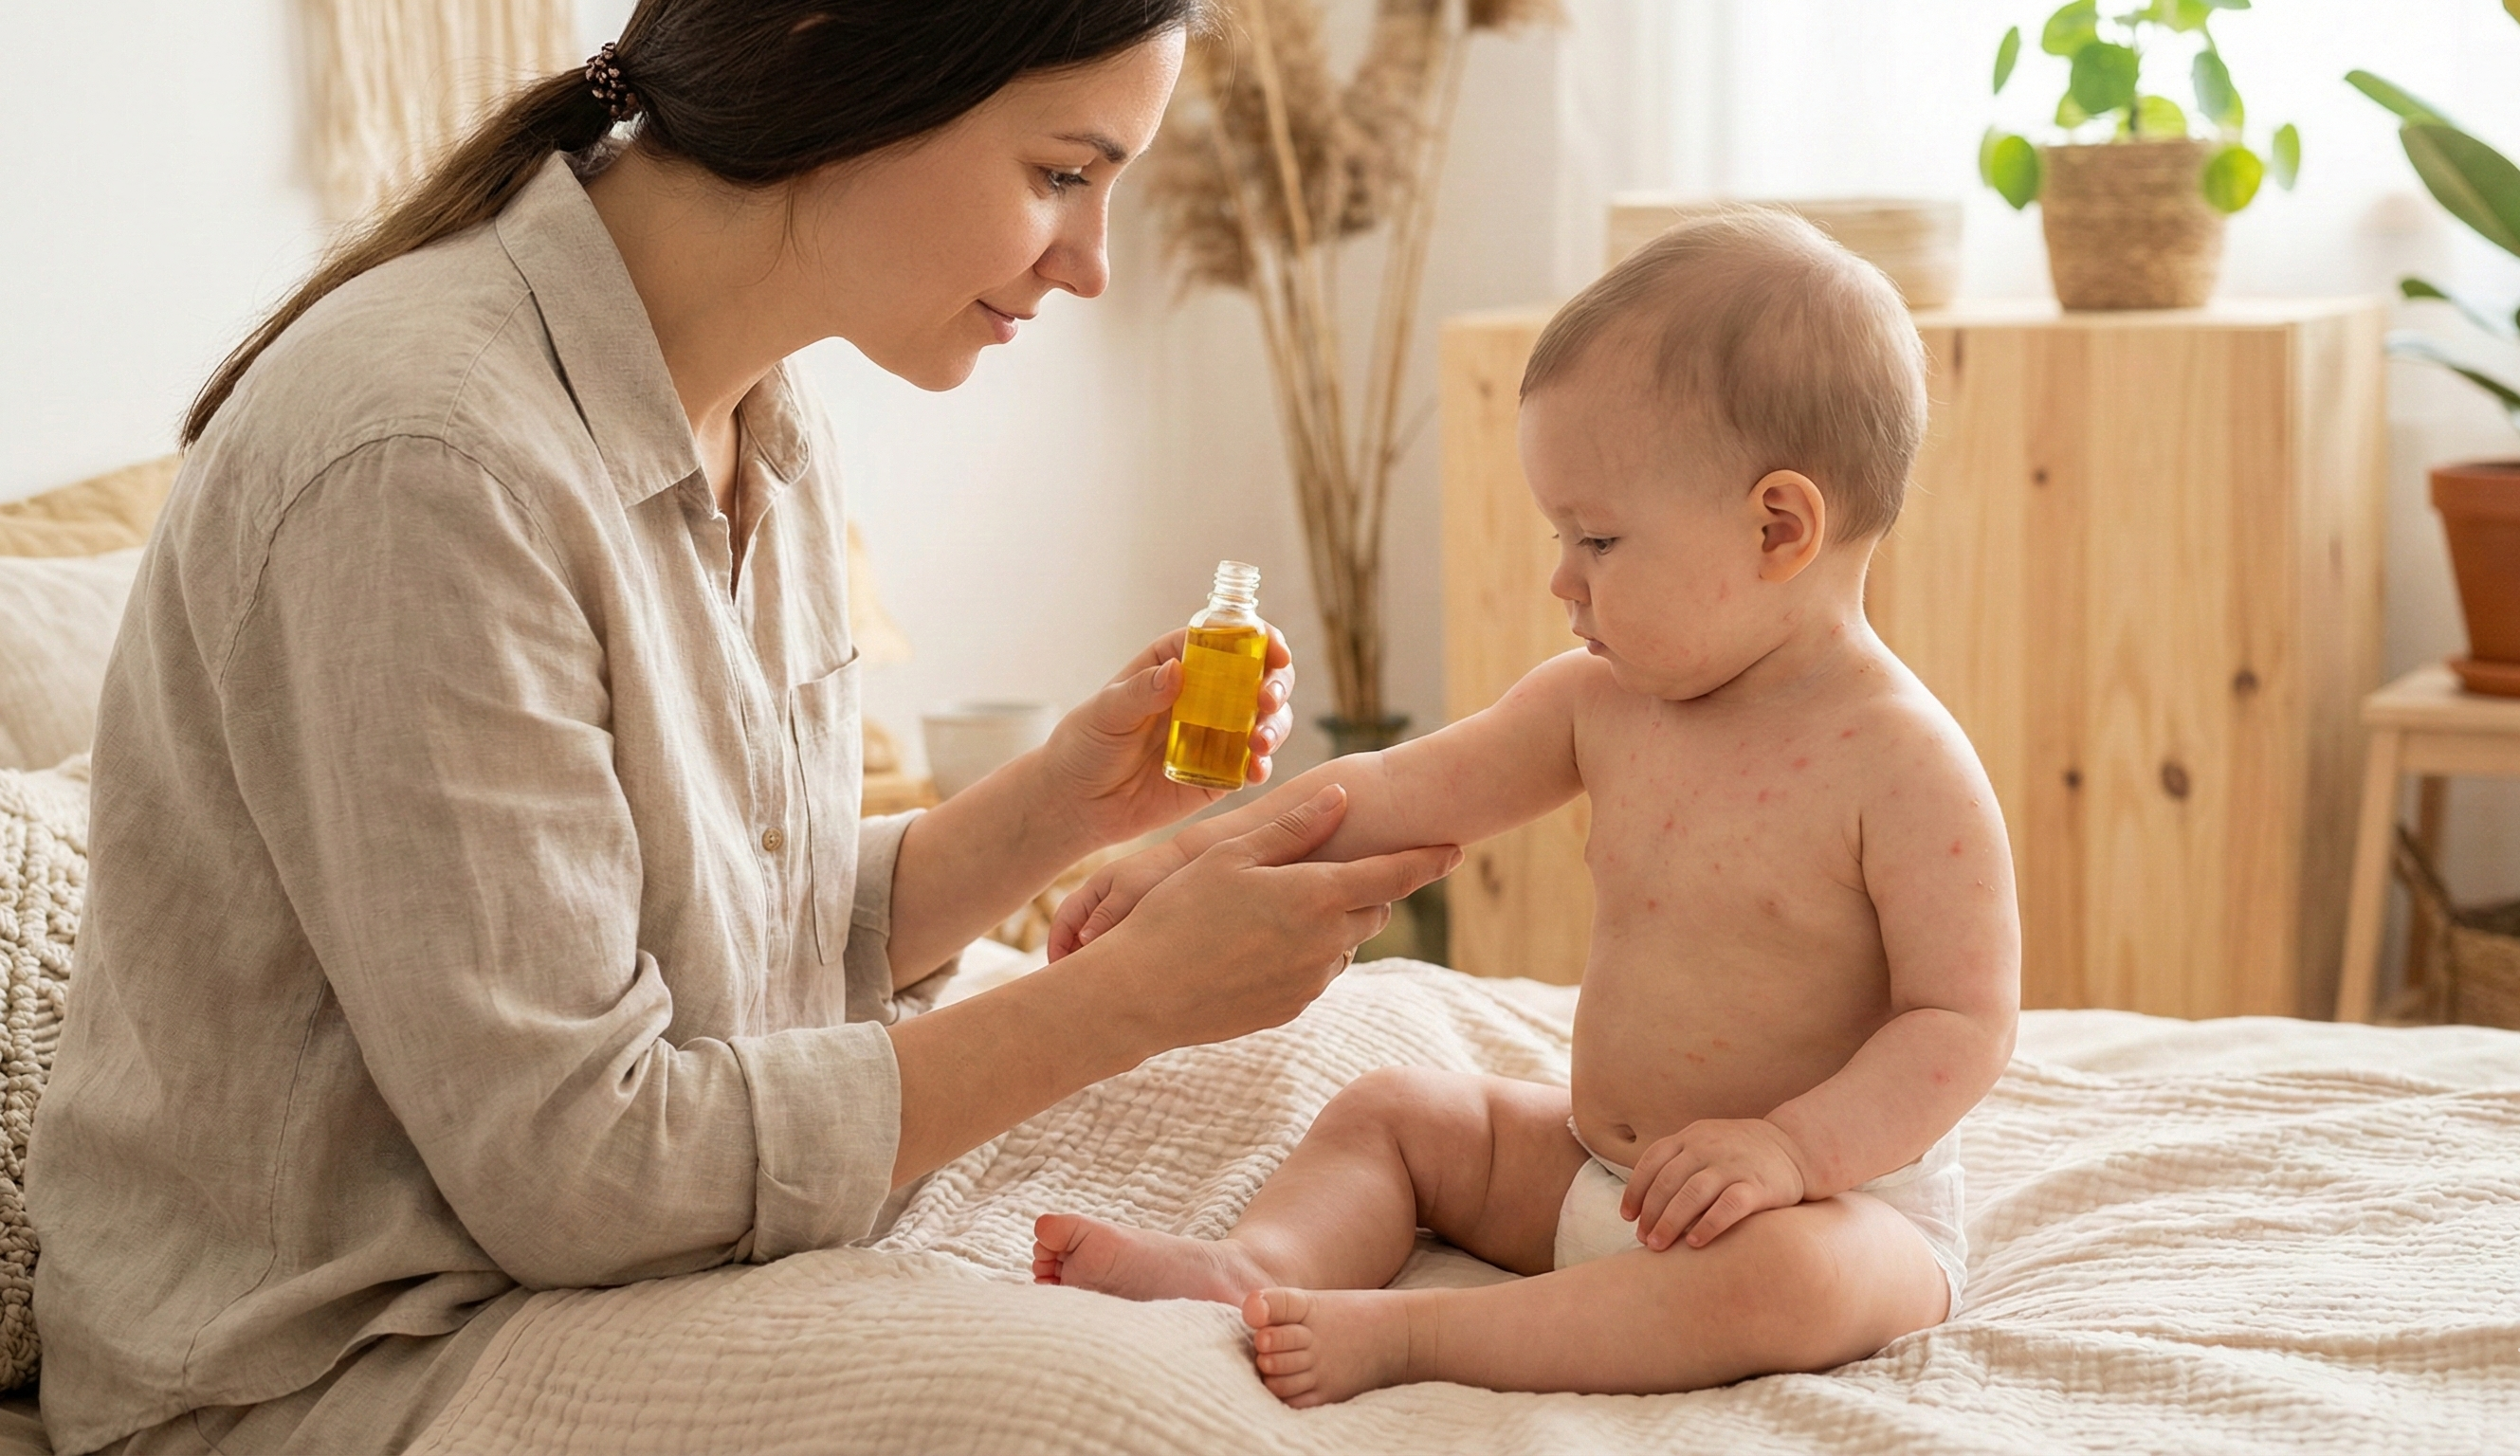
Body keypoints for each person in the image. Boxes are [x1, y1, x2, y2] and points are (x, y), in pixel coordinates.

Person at [25, 4, 1461, 1452]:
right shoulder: (428, 467)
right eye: (1061, 175)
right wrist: (1127, 1001)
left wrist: (1055, 812)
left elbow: (740, 947)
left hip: (609, 1266)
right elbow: (582, 1170)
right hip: (338, 1361)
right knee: (1143, 1423)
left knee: (1400, 1066)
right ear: (841, 58)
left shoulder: (764, 416)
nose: (1090, 265)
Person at [1032, 210, 2023, 1404]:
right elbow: (1387, 793)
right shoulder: (1599, 703)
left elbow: (1960, 1023)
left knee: (1795, 1280)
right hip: (1598, 1170)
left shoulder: (1903, 764)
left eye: (1597, 538)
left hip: (1830, 1205)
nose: (1562, 577)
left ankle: (1419, 1337)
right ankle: (1262, 1266)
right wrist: (1182, 859)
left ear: (1778, 528)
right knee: (1397, 1111)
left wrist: (1790, 1151)